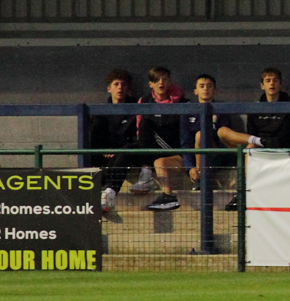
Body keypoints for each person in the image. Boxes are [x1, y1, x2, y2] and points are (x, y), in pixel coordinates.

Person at [184, 74, 258, 212]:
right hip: (198, 157)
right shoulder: (188, 112)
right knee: (199, 135)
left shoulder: (221, 111)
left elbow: (224, 138)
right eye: (201, 86)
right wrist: (189, 167)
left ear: (215, 90)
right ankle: (201, 178)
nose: (205, 89)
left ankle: (238, 188)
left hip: (219, 155)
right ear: (195, 91)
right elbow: (186, 141)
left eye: (209, 86)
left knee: (210, 134)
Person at [136, 66, 189, 212]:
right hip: (153, 149)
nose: (161, 83)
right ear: (150, 84)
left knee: (160, 162)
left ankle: (167, 195)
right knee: (141, 130)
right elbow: (139, 129)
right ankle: (145, 173)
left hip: (175, 150)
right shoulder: (144, 101)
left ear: (170, 82)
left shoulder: (183, 103)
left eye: (164, 79)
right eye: (157, 80)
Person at [89, 69, 139, 213]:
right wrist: (104, 151)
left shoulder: (137, 107)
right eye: (116, 84)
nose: (120, 88)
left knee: (125, 152)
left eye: (123, 84)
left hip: (130, 153)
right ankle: (106, 193)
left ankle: (106, 190)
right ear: (109, 88)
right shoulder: (101, 112)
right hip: (109, 156)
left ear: (128, 88)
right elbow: (95, 138)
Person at [247, 68, 290, 149]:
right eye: (268, 81)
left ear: (280, 85)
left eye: (275, 80)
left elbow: (289, 134)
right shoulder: (254, 108)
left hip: (283, 148)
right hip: (260, 146)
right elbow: (251, 133)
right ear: (262, 86)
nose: (272, 83)